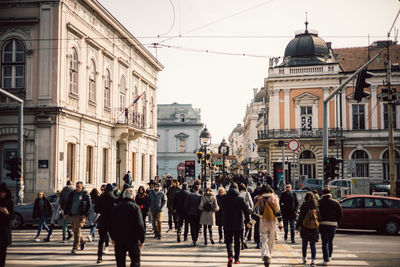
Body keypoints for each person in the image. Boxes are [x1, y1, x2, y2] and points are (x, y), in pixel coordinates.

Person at [110, 188, 145, 267]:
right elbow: (140, 224)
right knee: (135, 260)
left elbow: (111, 224)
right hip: (132, 238)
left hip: (119, 238)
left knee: (120, 262)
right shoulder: (135, 207)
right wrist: (142, 239)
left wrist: (112, 238)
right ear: (133, 197)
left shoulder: (116, 207)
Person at [220, 183, 250, 266]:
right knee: (237, 241)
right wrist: (247, 221)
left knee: (228, 241)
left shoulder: (224, 198)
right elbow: (246, 211)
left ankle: (230, 256)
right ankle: (237, 259)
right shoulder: (240, 198)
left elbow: (221, 208)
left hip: (227, 222)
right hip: (238, 223)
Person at [254, 185, 282, 267]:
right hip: (272, 221)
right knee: (271, 240)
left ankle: (265, 254)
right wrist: (280, 223)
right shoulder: (274, 197)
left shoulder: (257, 198)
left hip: (262, 221)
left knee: (264, 239)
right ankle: (269, 255)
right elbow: (278, 211)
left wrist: (251, 223)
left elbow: (255, 212)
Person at [64, 181, 92, 254]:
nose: (77, 188)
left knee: (76, 230)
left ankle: (75, 247)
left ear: (82, 187)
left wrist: (85, 214)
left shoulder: (85, 194)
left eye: (78, 187)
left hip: (80, 215)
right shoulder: (73, 194)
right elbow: (68, 203)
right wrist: (66, 213)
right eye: (76, 187)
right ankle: (82, 241)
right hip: (72, 214)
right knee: (74, 230)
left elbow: (89, 205)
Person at [319, 187, 343, 266]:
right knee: (330, 241)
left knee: (324, 242)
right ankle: (329, 257)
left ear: (323, 193)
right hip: (333, 224)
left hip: (323, 224)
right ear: (330, 193)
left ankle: (325, 260)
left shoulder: (320, 202)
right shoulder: (336, 202)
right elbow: (340, 214)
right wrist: (337, 222)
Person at [296, 192, 320, 266]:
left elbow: (301, 217)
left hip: (305, 227)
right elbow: (319, 217)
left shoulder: (304, 205)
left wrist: (297, 227)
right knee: (313, 245)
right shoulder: (316, 206)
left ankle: (304, 258)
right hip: (314, 228)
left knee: (304, 244)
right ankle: (313, 261)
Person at [95, 183, 116, 263]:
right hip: (112, 221)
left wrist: (102, 210)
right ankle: (118, 255)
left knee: (101, 240)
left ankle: (99, 257)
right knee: (115, 239)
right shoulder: (113, 197)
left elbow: (96, 209)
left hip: (103, 220)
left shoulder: (101, 197)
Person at [0, 183, 14, 267]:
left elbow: (12, 217)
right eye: (0, 192)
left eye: (3, 192)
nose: (2, 194)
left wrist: (6, 213)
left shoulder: (9, 202)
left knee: (2, 251)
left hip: (4, 230)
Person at [239, 183, 254, 250]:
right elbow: (251, 203)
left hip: (240, 213)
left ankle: (241, 240)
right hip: (247, 212)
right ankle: (245, 239)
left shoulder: (238, 194)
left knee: (241, 227)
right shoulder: (247, 193)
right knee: (248, 226)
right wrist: (252, 210)